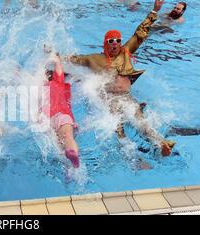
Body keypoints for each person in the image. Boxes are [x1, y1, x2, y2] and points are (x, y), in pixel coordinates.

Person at [60, 0, 176, 158]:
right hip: (108, 98)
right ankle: (131, 157)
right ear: (105, 44)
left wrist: (154, 11)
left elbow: (140, 33)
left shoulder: (126, 52)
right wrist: (55, 56)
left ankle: (160, 144)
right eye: (111, 41)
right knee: (118, 128)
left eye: (118, 41)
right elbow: (74, 59)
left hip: (126, 97)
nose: (115, 44)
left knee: (141, 122)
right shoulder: (94, 59)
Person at [41, 52, 80, 168]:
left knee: (58, 146)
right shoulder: (57, 82)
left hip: (47, 121)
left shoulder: (37, 89)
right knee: (68, 137)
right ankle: (73, 155)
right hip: (62, 115)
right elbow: (58, 65)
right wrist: (54, 55)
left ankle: (67, 168)